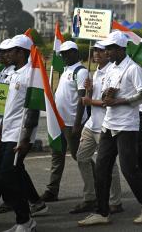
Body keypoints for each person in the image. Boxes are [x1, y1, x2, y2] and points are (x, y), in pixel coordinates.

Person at [77, 31, 142, 226]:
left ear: (121, 49)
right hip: (108, 124)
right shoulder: (111, 69)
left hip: (127, 126)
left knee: (129, 169)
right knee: (101, 168)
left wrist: (119, 100)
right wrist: (106, 97)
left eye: (110, 49)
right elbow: (108, 96)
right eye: (106, 49)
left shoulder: (133, 69)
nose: (106, 52)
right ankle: (102, 211)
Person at [0, 34, 42, 232]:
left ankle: (26, 221)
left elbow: (33, 109)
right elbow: (9, 107)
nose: (6, 54)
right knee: (5, 176)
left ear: (21, 52)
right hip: (7, 132)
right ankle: (24, 219)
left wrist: (25, 139)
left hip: (20, 134)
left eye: (10, 51)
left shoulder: (32, 73)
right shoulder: (13, 72)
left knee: (7, 176)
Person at [71, 42, 122, 215]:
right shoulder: (95, 72)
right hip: (92, 123)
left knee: (109, 165)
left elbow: (109, 102)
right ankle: (90, 197)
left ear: (108, 53)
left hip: (105, 126)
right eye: (95, 51)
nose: (97, 54)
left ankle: (115, 201)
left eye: (101, 51)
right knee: (81, 157)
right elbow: (89, 99)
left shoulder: (113, 72)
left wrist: (89, 101)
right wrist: (89, 90)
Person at [42, 41, 89, 202]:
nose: (65, 55)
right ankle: (52, 190)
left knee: (80, 156)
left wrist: (77, 124)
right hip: (59, 122)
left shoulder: (80, 71)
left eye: (68, 52)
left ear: (76, 53)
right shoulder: (65, 70)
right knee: (57, 156)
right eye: (62, 53)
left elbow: (82, 98)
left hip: (72, 124)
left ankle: (98, 183)